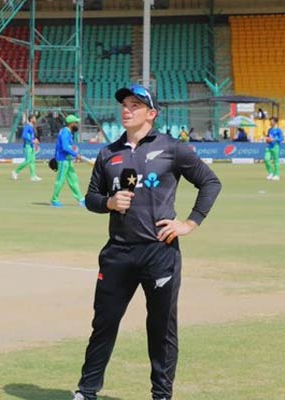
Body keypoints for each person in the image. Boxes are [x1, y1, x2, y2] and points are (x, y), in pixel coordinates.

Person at [72, 84, 221, 400]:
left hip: (159, 252)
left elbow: (210, 182)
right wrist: (109, 203)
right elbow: (90, 198)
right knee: (104, 325)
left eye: (135, 105)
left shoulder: (172, 148)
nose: (127, 109)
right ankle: (86, 392)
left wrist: (189, 223)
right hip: (117, 253)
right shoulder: (108, 153)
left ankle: (161, 395)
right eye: (124, 104)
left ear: (151, 114)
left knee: (161, 329)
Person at [51, 114, 84, 208]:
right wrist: (76, 155)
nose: (77, 124)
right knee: (60, 180)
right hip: (63, 160)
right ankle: (54, 200)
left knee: (73, 180)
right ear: (71, 123)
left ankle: (81, 199)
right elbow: (65, 147)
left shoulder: (68, 132)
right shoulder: (65, 132)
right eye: (76, 122)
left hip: (67, 160)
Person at [11, 114, 42, 181]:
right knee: (27, 161)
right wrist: (32, 141)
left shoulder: (32, 127)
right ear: (31, 119)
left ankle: (33, 176)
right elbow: (24, 136)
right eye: (34, 118)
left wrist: (35, 140)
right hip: (27, 146)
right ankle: (15, 171)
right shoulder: (27, 126)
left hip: (31, 146)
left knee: (32, 161)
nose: (35, 119)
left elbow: (32, 136)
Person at [265, 116, 282, 180]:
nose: (270, 122)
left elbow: (281, 138)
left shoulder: (278, 130)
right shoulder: (269, 130)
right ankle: (271, 173)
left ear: (275, 122)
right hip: (269, 146)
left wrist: (274, 139)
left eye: (271, 121)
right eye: (270, 121)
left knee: (275, 161)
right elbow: (268, 137)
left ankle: (277, 175)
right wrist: (267, 139)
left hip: (276, 146)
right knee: (266, 159)